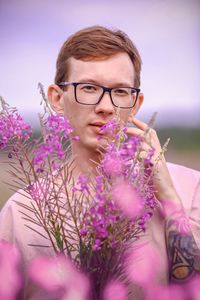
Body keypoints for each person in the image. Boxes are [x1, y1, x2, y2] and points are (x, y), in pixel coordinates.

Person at [0, 25, 200, 299]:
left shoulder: (191, 189)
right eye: (89, 88)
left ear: (135, 104)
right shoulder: (22, 211)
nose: (105, 106)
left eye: (120, 91)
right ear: (57, 98)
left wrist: (169, 198)